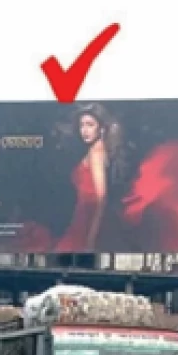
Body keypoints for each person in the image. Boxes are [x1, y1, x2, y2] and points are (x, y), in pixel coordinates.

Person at [55, 103, 126, 253]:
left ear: (101, 129)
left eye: (90, 125)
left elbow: (101, 198)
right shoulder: (96, 149)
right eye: (82, 125)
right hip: (84, 216)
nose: (84, 131)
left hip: (89, 219)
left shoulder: (96, 152)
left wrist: (91, 237)